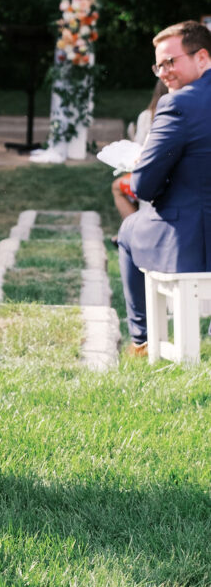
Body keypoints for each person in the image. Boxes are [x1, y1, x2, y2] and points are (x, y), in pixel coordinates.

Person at [117, 20, 211, 355]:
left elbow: (143, 186)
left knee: (128, 230)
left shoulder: (178, 104)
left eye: (171, 62)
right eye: (159, 64)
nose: (163, 72)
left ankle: (141, 340)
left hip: (196, 238)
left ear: (202, 57)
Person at [111, 80, 168, 235]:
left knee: (117, 186)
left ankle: (134, 232)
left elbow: (138, 150)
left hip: (148, 180)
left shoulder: (146, 116)